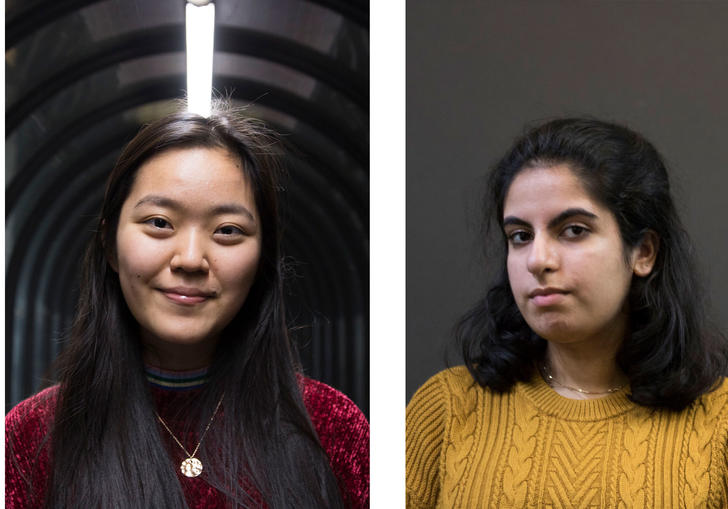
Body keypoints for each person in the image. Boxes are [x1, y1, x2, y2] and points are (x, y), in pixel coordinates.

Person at [5, 104, 369, 509]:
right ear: (109, 245)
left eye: (227, 231)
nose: (191, 259)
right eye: (160, 222)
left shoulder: (332, 427)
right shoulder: (32, 436)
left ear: (262, 257)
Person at [406, 118, 728, 507]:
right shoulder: (447, 408)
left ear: (643, 252)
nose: (538, 260)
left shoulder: (719, 423)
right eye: (520, 237)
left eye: (573, 230)